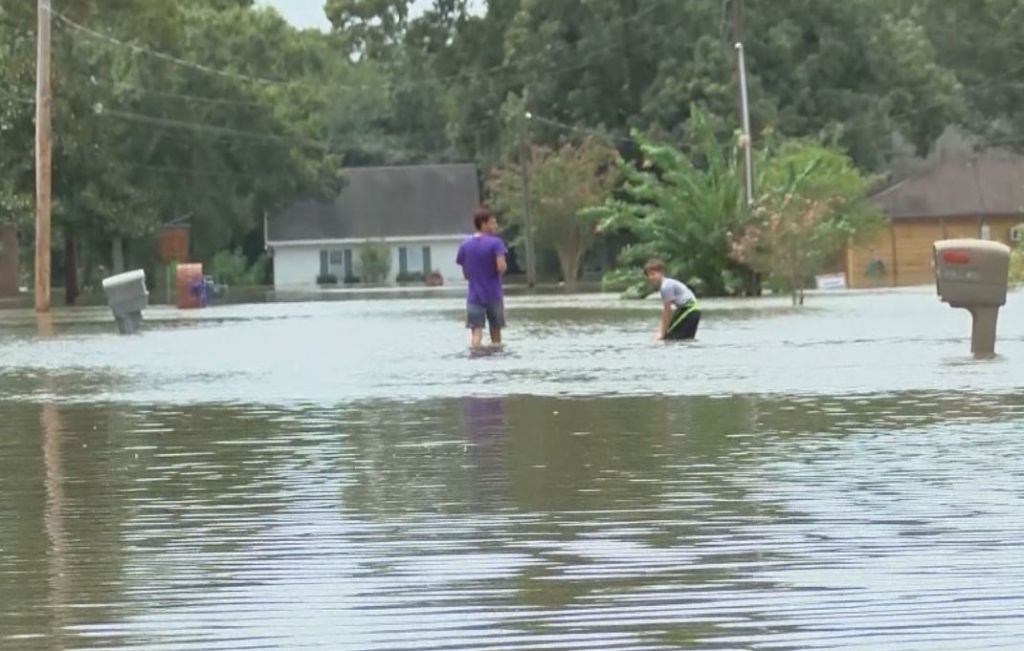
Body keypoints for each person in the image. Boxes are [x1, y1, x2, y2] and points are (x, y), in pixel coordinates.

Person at [456, 208, 508, 348]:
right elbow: (500, 267)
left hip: (474, 296)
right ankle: (495, 361)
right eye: (492, 222)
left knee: (476, 335)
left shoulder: (465, 245)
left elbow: (466, 274)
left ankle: (476, 357)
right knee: (496, 335)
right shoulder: (496, 243)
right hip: (493, 295)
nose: (496, 225)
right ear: (483, 224)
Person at [644, 259, 701, 341]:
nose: (650, 278)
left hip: (689, 309)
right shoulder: (666, 284)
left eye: (653, 274)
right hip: (690, 310)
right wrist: (660, 331)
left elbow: (667, 311)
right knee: (685, 340)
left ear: (661, 273)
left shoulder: (666, 286)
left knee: (669, 338)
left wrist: (662, 333)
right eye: (648, 275)